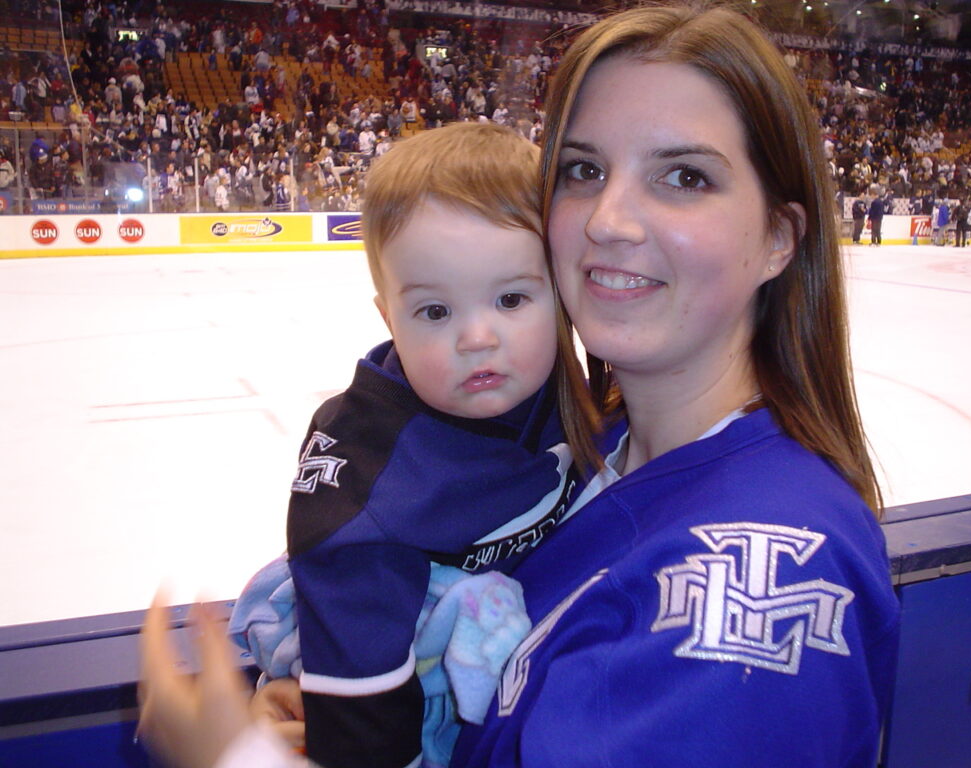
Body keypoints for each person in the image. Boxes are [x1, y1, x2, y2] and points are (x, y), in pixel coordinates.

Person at [138, 5, 900, 768]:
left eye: (683, 176)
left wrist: (236, 762)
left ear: (777, 238)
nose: (608, 219)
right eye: (583, 169)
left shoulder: (760, 581)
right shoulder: (572, 439)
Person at [244, 121, 599, 768]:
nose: (477, 337)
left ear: (562, 294)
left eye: (512, 298)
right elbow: (361, 708)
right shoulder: (366, 477)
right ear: (389, 319)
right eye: (435, 312)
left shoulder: (572, 385)